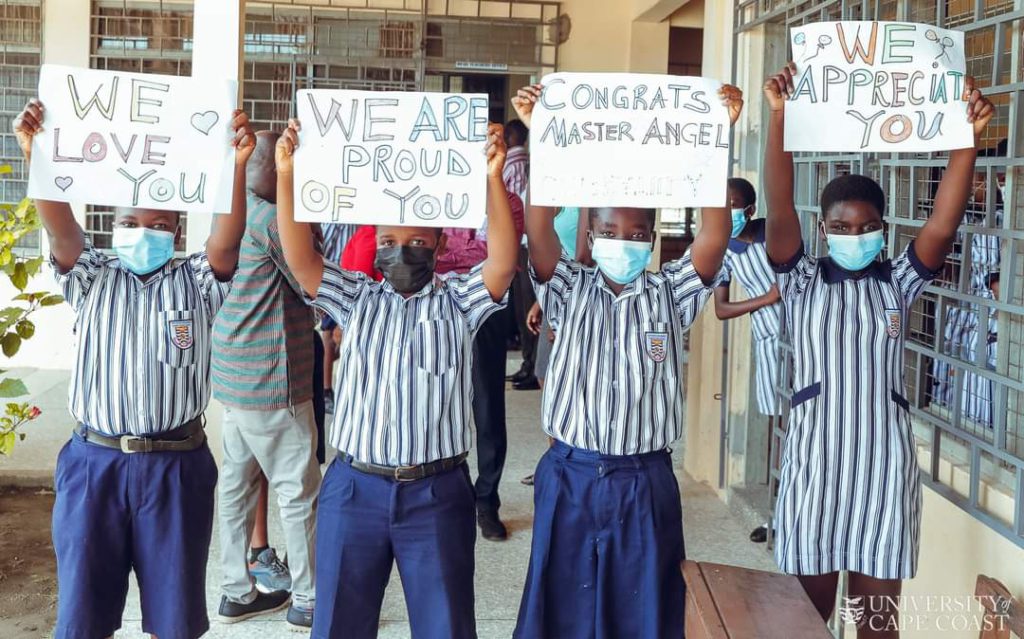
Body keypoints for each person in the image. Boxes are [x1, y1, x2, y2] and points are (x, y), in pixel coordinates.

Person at [762, 62, 993, 636]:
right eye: (840, 227)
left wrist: (967, 139)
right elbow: (780, 205)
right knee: (802, 621)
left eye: (865, 227)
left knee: (876, 626)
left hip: (882, 472)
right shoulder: (799, 278)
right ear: (823, 230)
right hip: (814, 465)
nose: (852, 236)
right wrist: (780, 118)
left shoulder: (899, 281)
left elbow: (943, 222)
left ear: (883, 230)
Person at [511, 82, 744, 638]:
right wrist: (545, 131)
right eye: (611, 231)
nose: (625, 241)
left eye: (638, 233)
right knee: (559, 605)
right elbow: (539, 229)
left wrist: (716, 138)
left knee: (646, 610)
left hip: (645, 479)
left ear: (654, 238)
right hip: (570, 473)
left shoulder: (670, 292)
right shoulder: (568, 286)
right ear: (589, 234)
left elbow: (714, 237)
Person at [13, 99, 253, 639]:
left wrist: (235, 165)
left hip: (176, 468)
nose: (142, 231)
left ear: (176, 231)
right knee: (82, 616)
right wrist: (40, 157)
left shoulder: (196, 280)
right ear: (112, 224)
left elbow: (226, 240)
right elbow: (62, 231)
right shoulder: (93, 274)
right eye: (129, 221)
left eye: (158, 223)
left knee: (175, 620)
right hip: (94, 465)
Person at [274, 118, 518, 639]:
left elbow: (502, 260)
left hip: (438, 491)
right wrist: (287, 175)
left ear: (437, 244)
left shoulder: (458, 300)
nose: (401, 251)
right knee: (339, 623)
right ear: (374, 244)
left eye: (415, 241)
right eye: (388, 240)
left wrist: (493, 178)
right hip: (354, 487)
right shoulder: (357, 298)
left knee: (445, 625)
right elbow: (301, 259)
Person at [212, 131, 322, 628]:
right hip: (274, 382)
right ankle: (309, 600)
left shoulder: (229, 216)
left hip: (234, 380)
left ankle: (236, 591)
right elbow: (310, 283)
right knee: (296, 493)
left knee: (235, 490)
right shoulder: (275, 221)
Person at [436, 186, 525, 541]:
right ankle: (443, 498)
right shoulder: (433, 190)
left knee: (487, 405)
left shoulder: (507, 201)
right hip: (434, 303)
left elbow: (498, 255)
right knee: (433, 401)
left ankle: (486, 500)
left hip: (486, 305)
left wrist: (447, 251)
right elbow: (423, 247)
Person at [711, 177, 782, 543]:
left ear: (750, 209)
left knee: (807, 428)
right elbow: (722, 309)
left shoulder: (776, 234)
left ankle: (802, 510)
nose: (726, 212)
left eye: (733, 205)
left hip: (804, 341)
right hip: (769, 343)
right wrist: (766, 299)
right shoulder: (723, 249)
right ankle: (778, 516)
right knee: (779, 430)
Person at [520, 205, 589, 487]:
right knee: (546, 378)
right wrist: (541, 301)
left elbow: (584, 259)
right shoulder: (557, 201)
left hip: (577, 298)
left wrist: (565, 318)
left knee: (565, 382)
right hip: (553, 294)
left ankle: (570, 465)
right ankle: (557, 461)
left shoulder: (585, 203)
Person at [504, 118, 540, 390]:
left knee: (528, 308)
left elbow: (514, 207)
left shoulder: (515, 167)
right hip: (525, 243)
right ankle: (528, 363)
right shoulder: (527, 166)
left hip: (526, 244)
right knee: (522, 307)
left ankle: (531, 365)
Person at [319, 223, 358, 414]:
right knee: (328, 337)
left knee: (340, 339)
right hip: (335, 277)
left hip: (350, 275)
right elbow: (323, 244)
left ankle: (341, 389)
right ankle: (326, 390)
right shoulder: (334, 218)